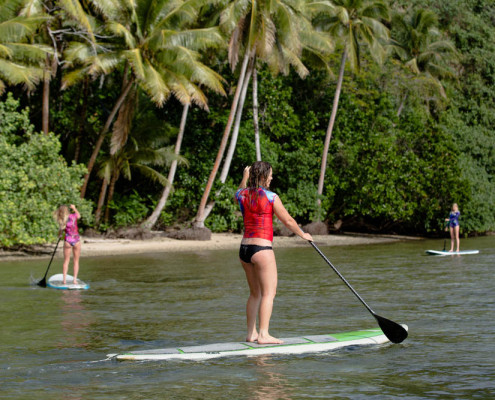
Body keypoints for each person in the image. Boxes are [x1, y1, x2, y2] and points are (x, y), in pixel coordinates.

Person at [235, 161, 313, 344]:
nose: (271, 177)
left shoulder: (241, 194)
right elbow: (287, 220)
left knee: (255, 293)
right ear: (262, 176)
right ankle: (263, 334)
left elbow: (239, 191)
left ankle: (251, 333)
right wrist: (303, 235)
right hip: (262, 249)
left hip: (244, 249)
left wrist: (244, 178)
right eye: (269, 174)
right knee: (269, 293)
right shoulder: (271, 197)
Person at [53, 204, 81, 284]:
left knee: (66, 261)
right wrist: (74, 208)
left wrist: (60, 235)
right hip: (76, 240)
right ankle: (75, 280)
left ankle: (64, 280)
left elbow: (60, 233)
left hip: (68, 241)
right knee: (76, 261)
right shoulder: (73, 216)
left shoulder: (62, 220)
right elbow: (79, 216)